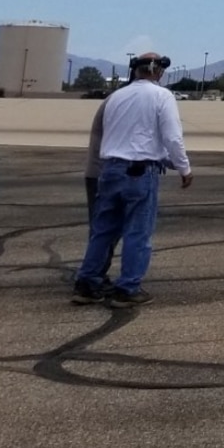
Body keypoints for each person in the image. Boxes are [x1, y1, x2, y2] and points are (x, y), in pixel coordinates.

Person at [72, 54, 192, 308]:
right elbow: (172, 137)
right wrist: (183, 167)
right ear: (157, 71)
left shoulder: (116, 96)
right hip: (139, 173)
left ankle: (87, 283)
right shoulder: (162, 96)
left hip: (110, 170)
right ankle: (127, 288)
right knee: (138, 232)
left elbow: (122, 136)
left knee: (103, 231)